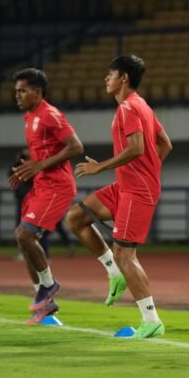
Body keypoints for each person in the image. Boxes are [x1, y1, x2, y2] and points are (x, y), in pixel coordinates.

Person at [66, 55, 172, 338]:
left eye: (110, 74)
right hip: (126, 185)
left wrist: (100, 167)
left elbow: (136, 148)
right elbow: (165, 144)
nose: (106, 78)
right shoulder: (142, 105)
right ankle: (114, 272)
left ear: (124, 78)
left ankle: (151, 321)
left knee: (125, 254)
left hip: (137, 189)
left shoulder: (128, 107)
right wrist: (149, 170)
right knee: (76, 218)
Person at [10, 68, 84, 324]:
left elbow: (76, 146)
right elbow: (42, 154)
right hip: (42, 185)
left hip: (57, 186)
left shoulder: (50, 114)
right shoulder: (29, 117)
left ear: (38, 92)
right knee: (23, 239)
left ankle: (48, 286)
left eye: (22, 91)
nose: (17, 95)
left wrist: (40, 165)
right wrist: (28, 171)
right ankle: (44, 302)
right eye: (16, 91)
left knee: (25, 235)